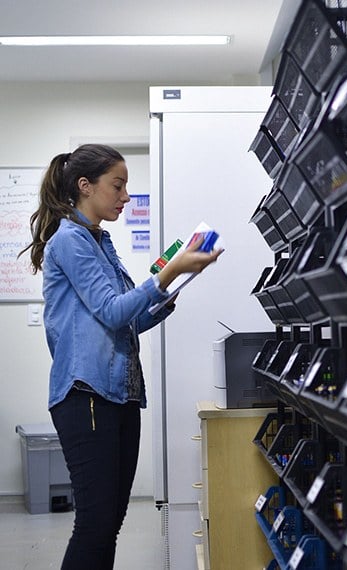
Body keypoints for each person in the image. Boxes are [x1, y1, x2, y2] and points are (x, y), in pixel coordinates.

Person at [19, 143, 222, 570]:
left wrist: (174, 284)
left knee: (110, 522)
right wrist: (168, 272)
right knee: (94, 524)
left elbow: (125, 322)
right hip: (86, 395)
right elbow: (113, 312)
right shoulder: (70, 241)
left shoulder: (100, 241)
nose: (125, 197)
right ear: (85, 186)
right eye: (118, 185)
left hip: (119, 395)